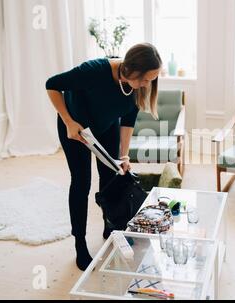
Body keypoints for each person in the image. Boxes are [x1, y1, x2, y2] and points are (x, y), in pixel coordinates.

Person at [45, 43, 162, 271]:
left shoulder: (138, 86)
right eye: (146, 79)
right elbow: (52, 85)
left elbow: (128, 120)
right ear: (131, 70)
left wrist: (124, 155)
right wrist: (69, 122)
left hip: (107, 126)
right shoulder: (94, 71)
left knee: (111, 178)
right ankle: (80, 242)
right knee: (81, 182)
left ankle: (111, 227)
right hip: (76, 128)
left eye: (152, 79)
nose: (148, 84)